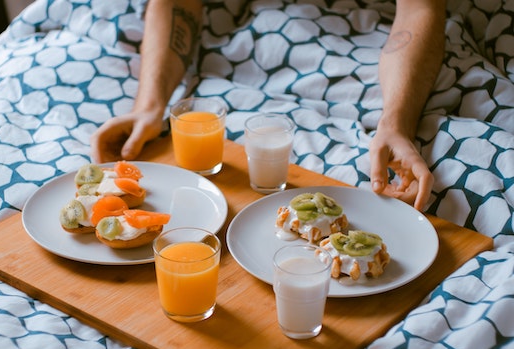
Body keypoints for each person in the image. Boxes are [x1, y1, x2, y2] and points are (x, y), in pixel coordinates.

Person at [91, 0, 446, 212]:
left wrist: (396, 125)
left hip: (369, 40)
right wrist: (150, 106)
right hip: (239, 32)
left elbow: (421, 8)